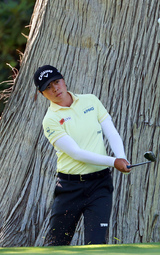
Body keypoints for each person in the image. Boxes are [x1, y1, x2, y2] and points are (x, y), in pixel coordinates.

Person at [34, 65, 130, 246]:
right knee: (56, 245)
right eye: (48, 87)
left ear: (63, 80)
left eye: (56, 82)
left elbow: (111, 132)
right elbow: (76, 153)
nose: (55, 88)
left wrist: (121, 157)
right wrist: (114, 161)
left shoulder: (91, 101)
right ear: (42, 94)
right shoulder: (50, 120)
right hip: (70, 188)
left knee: (96, 244)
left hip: (100, 185)